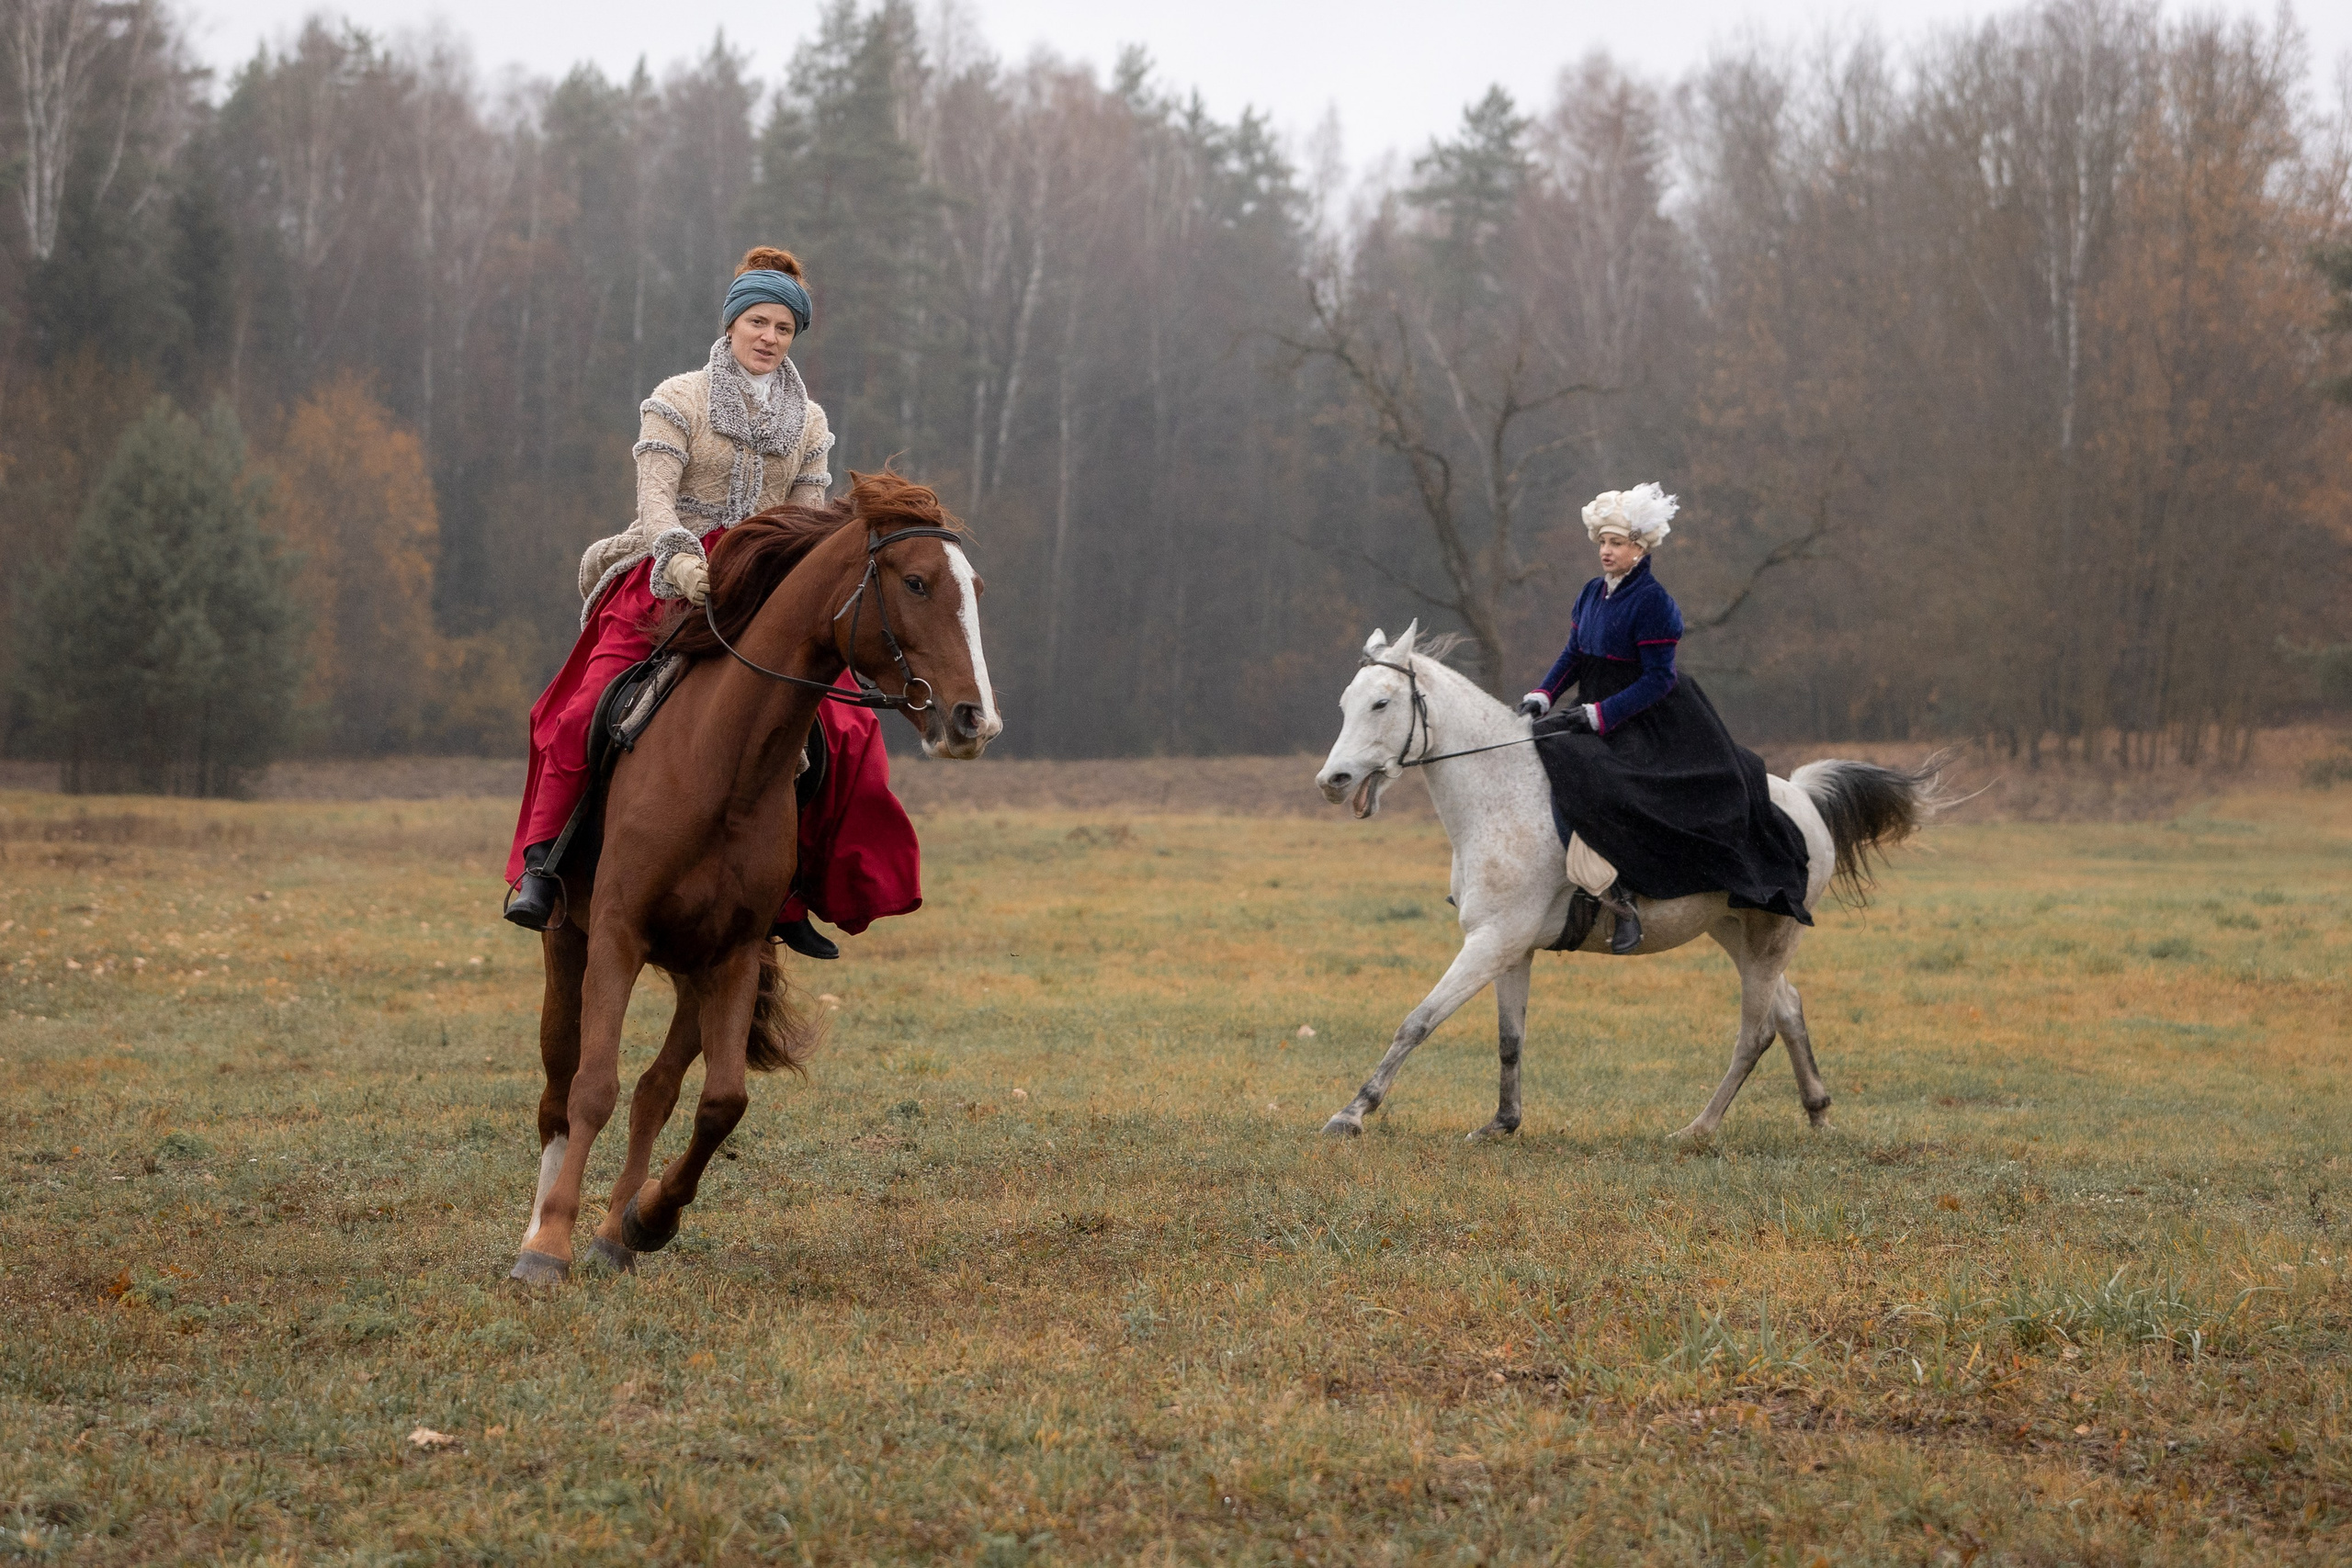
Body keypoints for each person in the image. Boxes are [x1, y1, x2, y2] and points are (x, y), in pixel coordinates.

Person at [503, 246, 922, 957]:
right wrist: (678, 555)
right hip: (666, 579)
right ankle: (544, 867)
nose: (768, 336)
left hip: (762, 592)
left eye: (783, 328)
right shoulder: (679, 397)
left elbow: (807, 523)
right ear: (731, 325)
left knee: (846, 735)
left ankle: (789, 894)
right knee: (581, 711)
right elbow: (655, 497)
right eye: (757, 321)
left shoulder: (811, 424)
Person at [1519, 484, 1811, 954]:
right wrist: (1543, 695)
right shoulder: (1592, 593)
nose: (1606, 552)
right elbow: (1573, 655)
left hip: (1648, 719)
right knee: (1534, 746)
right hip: (1593, 709)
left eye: (1617, 544)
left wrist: (1600, 715)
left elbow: (1658, 680)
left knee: (1601, 780)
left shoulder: (1654, 603)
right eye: (1603, 543)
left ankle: (1621, 899)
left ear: (1640, 548)